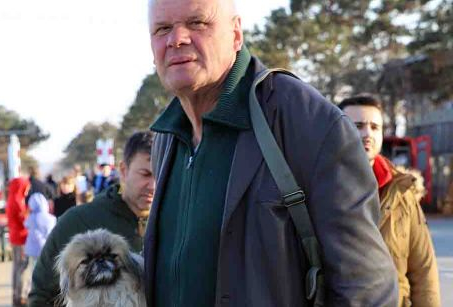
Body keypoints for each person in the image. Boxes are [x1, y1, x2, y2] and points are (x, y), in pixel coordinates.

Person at [144, 0, 398, 306]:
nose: (177, 39)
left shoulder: (307, 121)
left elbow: (366, 288)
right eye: (162, 28)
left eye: (197, 23)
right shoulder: (166, 137)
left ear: (236, 34)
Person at [28, 131, 155, 306]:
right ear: (123, 171)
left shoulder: (178, 223)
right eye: (145, 174)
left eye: (161, 174)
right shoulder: (77, 221)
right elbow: (41, 296)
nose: (154, 184)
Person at [339, 95, 440, 306]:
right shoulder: (317, 187)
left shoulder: (402, 192)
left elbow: (423, 269)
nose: (368, 134)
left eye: (375, 127)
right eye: (357, 126)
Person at [22, 193, 57, 303]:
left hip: (32, 251)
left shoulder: (31, 218)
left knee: (33, 272)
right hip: (46, 250)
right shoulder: (50, 218)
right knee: (46, 272)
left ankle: (31, 293)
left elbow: (25, 224)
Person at [5, 173, 31, 306]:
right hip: (21, 238)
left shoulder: (12, 197)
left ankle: (16, 293)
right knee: (21, 267)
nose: (27, 190)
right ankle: (19, 296)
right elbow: (24, 219)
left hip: (15, 236)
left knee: (16, 267)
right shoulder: (17, 200)